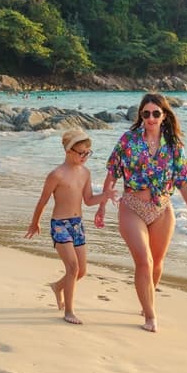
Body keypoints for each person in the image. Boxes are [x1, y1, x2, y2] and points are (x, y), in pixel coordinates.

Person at [95, 92, 187, 333]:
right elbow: (112, 173)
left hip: (162, 209)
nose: (151, 118)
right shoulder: (128, 140)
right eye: (146, 114)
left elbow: (183, 180)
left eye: (156, 113)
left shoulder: (173, 145)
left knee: (156, 264)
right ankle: (151, 315)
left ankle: (147, 302)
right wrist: (102, 205)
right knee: (144, 262)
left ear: (164, 115)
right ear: (141, 116)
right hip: (132, 206)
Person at [25, 128, 116, 325]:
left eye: (87, 153)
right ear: (68, 151)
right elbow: (42, 201)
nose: (85, 156)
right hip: (60, 225)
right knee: (73, 267)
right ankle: (69, 311)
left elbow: (89, 200)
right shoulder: (56, 175)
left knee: (81, 271)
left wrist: (105, 197)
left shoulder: (85, 173)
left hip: (77, 225)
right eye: (81, 152)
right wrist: (35, 223)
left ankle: (58, 287)